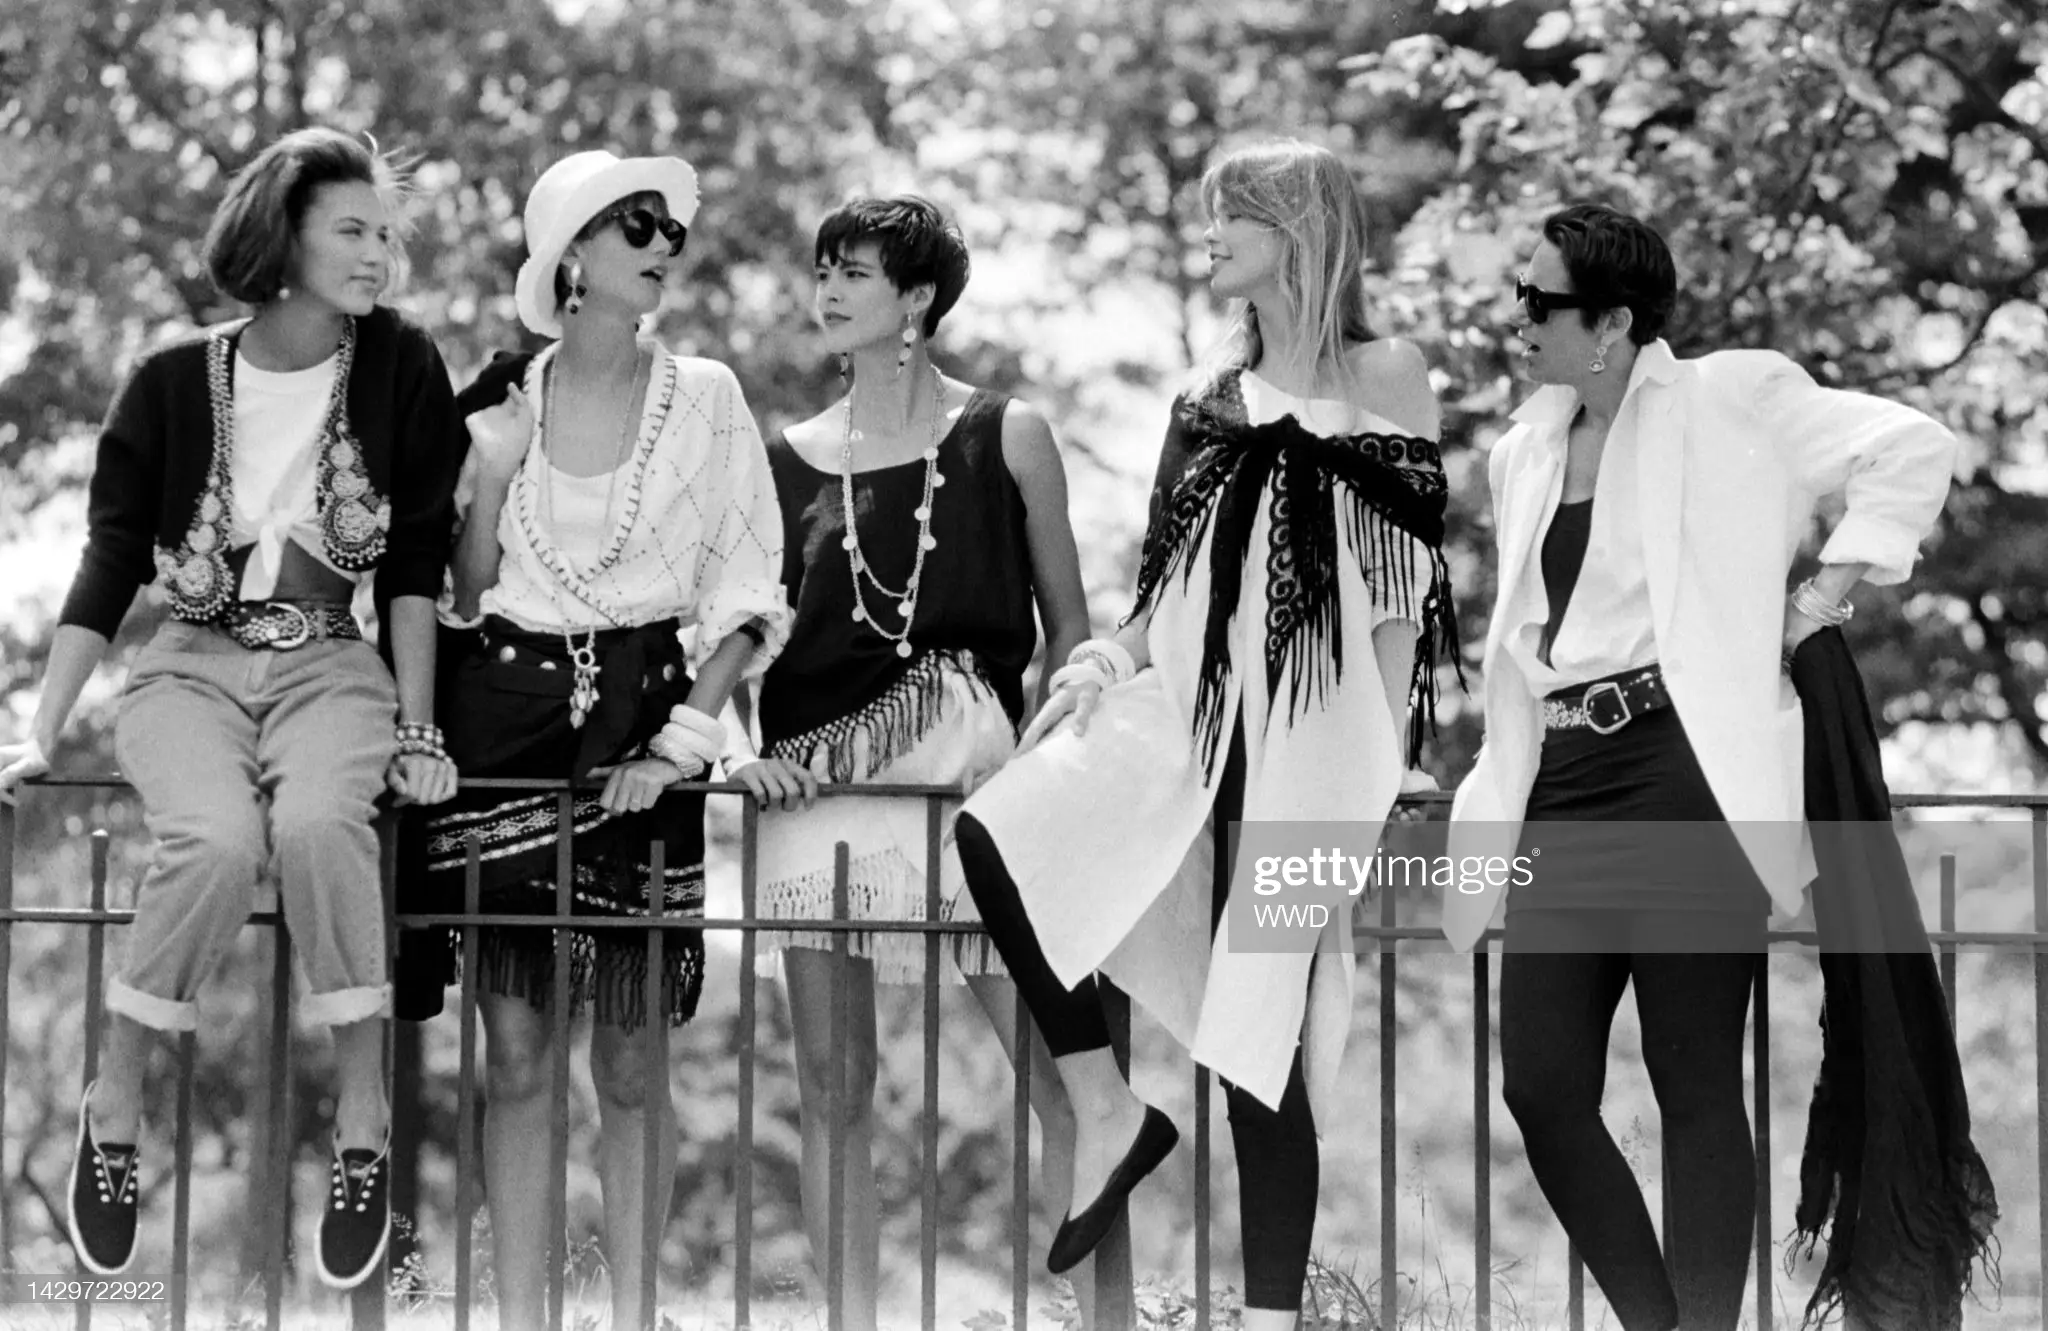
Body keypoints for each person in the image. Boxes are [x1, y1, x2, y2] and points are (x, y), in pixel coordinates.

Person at [951, 140, 1459, 1329]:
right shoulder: (1204, 398)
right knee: (996, 830)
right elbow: (1159, 591)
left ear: (1299, 227)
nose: (1211, 234)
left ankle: (1268, 1317)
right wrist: (1095, 664)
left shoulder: (1387, 373)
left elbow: (1400, 589)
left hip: (1316, 750)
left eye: (1233, 215)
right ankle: (1108, 1105)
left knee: (1259, 1036)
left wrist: (1384, 756)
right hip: (1185, 718)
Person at [1442, 202, 1958, 1331]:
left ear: (1613, 323)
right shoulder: (1522, 450)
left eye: (1541, 301)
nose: (1518, 317)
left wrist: (1820, 598)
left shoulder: (1734, 396)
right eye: (1518, 295)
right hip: (1561, 780)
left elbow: (1911, 445)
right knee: (1540, 1084)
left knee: (1693, 1085)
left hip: (1684, 771)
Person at [0, 127, 465, 1288]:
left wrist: (417, 727)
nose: (379, 252)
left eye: (387, 232)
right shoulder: (168, 381)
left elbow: (414, 561)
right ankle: (115, 1106)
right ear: (284, 237)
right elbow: (112, 560)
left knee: (318, 826)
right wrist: (40, 725)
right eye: (352, 229)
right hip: (187, 667)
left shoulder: (403, 365)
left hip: (332, 665)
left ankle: (363, 1123)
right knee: (210, 843)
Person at [394, 150, 789, 1331]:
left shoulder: (707, 395)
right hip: (502, 725)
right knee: (517, 1055)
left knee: (628, 1056)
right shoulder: (497, 393)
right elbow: (464, 590)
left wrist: (679, 745)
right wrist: (491, 468)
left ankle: (632, 1313)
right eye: (638, 224)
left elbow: (746, 585)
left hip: (645, 726)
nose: (666, 243)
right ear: (571, 254)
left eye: (671, 227)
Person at [729, 195, 1095, 1329]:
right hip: (817, 793)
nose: (829, 290)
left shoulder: (1006, 435)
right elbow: (738, 634)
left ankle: (1100, 1313)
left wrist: (1045, 777)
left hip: (974, 795)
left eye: (855, 271)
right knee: (833, 1086)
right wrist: (744, 755)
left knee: (1065, 1073)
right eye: (823, 270)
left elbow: (1071, 636)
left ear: (918, 297)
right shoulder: (780, 459)